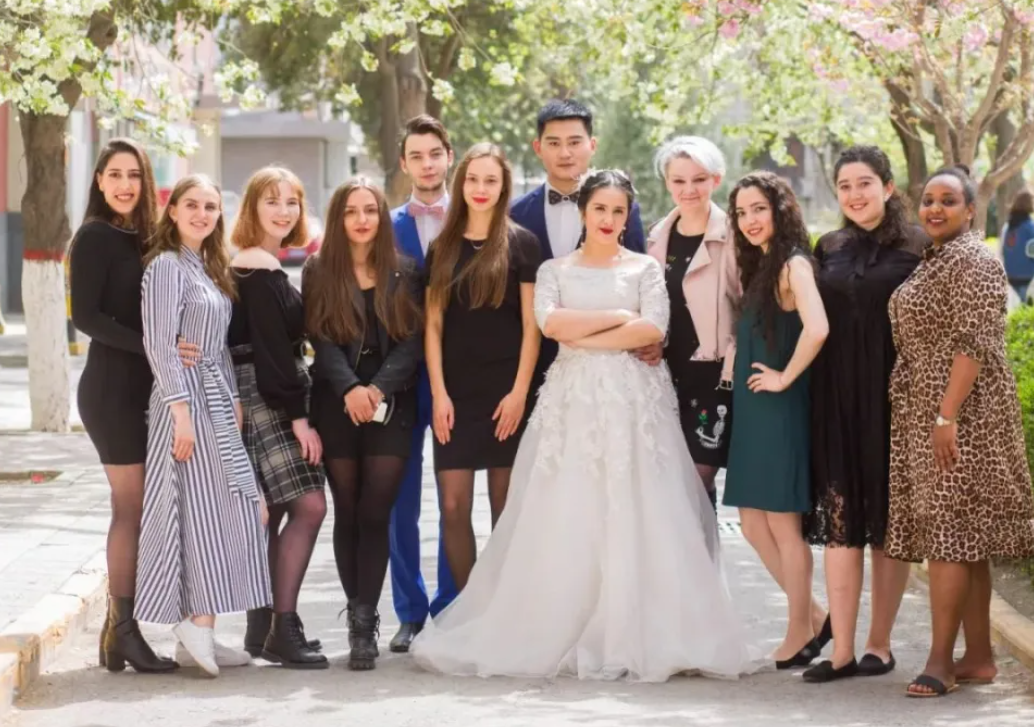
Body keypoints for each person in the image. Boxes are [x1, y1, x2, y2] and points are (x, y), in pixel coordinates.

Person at [412, 170, 767, 681]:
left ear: (627, 217)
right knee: (570, 505)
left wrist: (589, 335)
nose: (608, 219)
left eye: (618, 211)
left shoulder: (645, 267)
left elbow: (652, 327)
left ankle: (643, 627)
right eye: (600, 208)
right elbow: (550, 324)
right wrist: (619, 318)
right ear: (584, 211)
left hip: (635, 403)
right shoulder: (555, 269)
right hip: (573, 401)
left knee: (638, 504)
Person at [886, 165, 1034, 698]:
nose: (935, 208)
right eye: (929, 199)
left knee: (949, 536)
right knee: (966, 538)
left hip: (963, 417)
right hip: (934, 414)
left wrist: (946, 415)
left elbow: (973, 344)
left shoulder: (973, 260)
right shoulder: (938, 257)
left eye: (948, 200)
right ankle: (979, 658)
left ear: (972, 211)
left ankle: (940, 662)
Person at [135, 174, 272, 677]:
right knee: (202, 512)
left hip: (214, 398)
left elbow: (215, 347)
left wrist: (232, 399)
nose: (201, 214)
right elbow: (158, 343)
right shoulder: (166, 267)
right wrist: (181, 415)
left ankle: (201, 629)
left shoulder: (208, 268)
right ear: (172, 211)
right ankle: (197, 625)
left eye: (210, 207)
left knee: (234, 508)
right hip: (184, 401)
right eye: (191, 205)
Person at [802, 146, 929, 683]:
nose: (854, 194)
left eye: (864, 183)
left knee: (886, 523)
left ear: (888, 186)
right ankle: (841, 651)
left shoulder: (920, 245)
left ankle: (879, 644)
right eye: (845, 185)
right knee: (841, 522)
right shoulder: (828, 246)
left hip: (894, 396)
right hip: (835, 395)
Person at [70, 138, 195, 674]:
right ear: (99, 180)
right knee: (131, 507)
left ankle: (115, 630)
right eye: (115, 174)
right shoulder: (95, 236)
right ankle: (124, 630)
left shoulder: (148, 239)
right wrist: (154, 345)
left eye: (134, 175)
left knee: (146, 507)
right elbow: (86, 318)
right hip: (110, 391)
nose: (125, 184)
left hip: (149, 389)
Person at [304, 179, 424, 670]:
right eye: (351, 211)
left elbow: (413, 341)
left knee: (376, 512)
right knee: (348, 511)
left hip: (390, 403)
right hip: (337, 401)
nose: (361, 219)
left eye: (370, 210)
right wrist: (350, 388)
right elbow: (319, 337)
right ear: (339, 218)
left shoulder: (405, 271)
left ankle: (366, 614)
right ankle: (359, 624)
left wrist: (376, 389)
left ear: (380, 216)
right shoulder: (318, 270)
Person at [722, 171, 830, 670]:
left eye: (759, 209)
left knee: (785, 528)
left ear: (780, 210)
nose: (749, 220)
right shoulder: (762, 265)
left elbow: (818, 327)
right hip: (754, 412)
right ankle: (815, 616)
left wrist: (785, 377)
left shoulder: (793, 265)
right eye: (742, 212)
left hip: (780, 410)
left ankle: (799, 631)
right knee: (751, 523)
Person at [424, 143, 542, 592]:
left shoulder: (522, 244)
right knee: (453, 507)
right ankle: (467, 606)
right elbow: (433, 326)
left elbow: (532, 328)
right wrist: (439, 394)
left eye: (490, 180)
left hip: (505, 393)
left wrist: (519, 394)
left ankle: (503, 608)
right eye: (472, 179)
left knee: (504, 507)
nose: (480, 188)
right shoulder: (442, 247)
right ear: (460, 184)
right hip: (455, 395)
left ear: (503, 186)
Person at [228, 167, 328, 669]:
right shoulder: (257, 266)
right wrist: (299, 417)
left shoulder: (262, 263)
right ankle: (282, 629)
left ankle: (261, 625)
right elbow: (270, 352)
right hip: (268, 393)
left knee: (271, 508)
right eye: (272, 201)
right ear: (252, 207)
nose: (284, 211)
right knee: (309, 506)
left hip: (259, 389)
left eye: (292, 201)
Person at [511, 99, 646, 398]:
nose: (564, 153)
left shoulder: (625, 209)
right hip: (530, 368)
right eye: (554, 143)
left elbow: (639, 280)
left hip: (608, 367)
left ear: (592, 145)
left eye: (574, 142)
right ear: (538, 148)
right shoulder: (515, 215)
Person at [388, 115, 458, 652]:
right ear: (404, 163)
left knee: (455, 498)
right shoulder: (385, 226)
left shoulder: (477, 218)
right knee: (400, 499)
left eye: (435, 153)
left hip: (461, 377)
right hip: (401, 379)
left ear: (449, 156)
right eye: (417, 155)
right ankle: (409, 612)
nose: (427, 164)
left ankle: (452, 606)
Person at [641, 136, 740, 510]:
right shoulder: (655, 237)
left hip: (714, 375)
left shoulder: (734, 236)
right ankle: (694, 549)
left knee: (698, 478)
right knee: (668, 481)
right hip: (662, 373)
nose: (689, 189)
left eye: (699, 179)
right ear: (667, 182)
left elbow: (748, 307)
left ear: (716, 179)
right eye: (679, 180)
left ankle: (702, 548)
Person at [999, 188, 1034, 303]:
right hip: (1028, 277)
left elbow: (1002, 251)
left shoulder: (1008, 226)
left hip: (1010, 276)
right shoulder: (1030, 227)